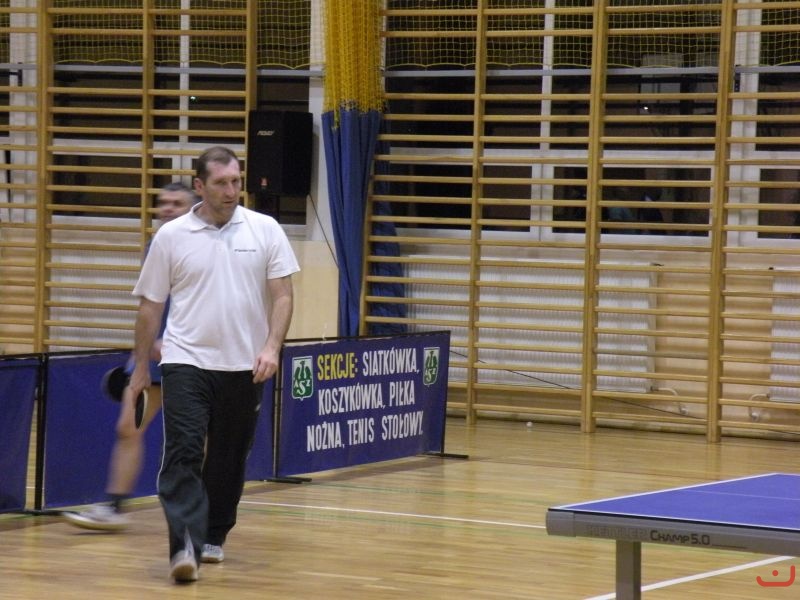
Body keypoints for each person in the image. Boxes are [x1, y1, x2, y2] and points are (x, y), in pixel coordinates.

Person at [128, 146, 299, 583]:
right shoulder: (171, 237)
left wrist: (272, 347)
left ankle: (213, 534)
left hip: (245, 365)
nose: (231, 190)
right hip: (186, 361)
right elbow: (150, 306)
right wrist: (141, 368)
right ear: (200, 186)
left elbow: (282, 295)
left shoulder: (265, 229)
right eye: (221, 183)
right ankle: (183, 544)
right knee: (184, 450)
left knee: (228, 457)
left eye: (236, 181)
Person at [63, 182, 198, 531]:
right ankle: (114, 507)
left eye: (177, 203)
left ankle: (204, 512)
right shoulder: (155, 246)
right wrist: (146, 347)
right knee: (128, 426)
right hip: (152, 358)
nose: (167, 208)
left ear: (194, 209)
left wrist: (182, 340)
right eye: (163, 202)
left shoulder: (206, 247)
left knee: (198, 441)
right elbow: (149, 306)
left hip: (196, 357)